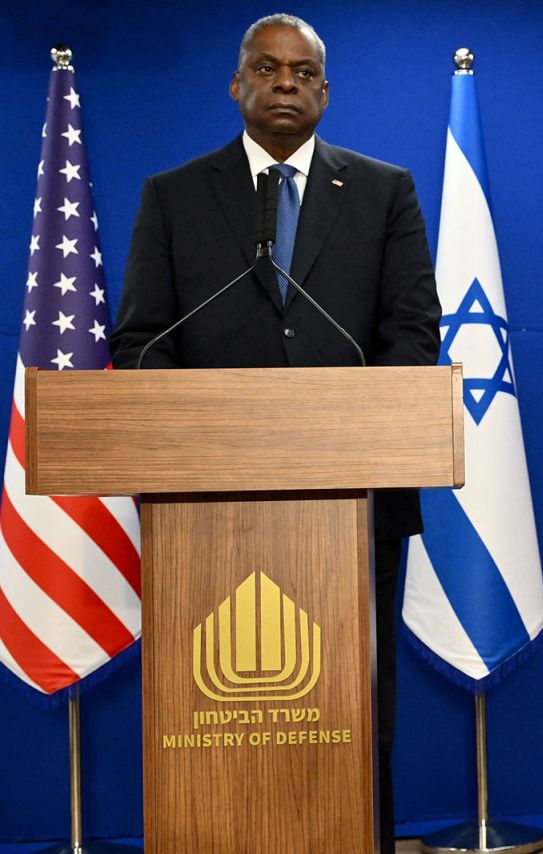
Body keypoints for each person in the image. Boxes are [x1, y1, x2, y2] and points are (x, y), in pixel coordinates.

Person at [108, 14, 440, 852]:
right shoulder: (174, 195)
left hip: (357, 502)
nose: (285, 82)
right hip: (206, 516)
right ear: (237, 84)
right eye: (267, 68)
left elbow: (412, 332)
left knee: (357, 710)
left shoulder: (383, 190)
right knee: (213, 721)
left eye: (302, 72)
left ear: (325, 91)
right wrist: (208, 434)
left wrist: (350, 428)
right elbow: (141, 341)